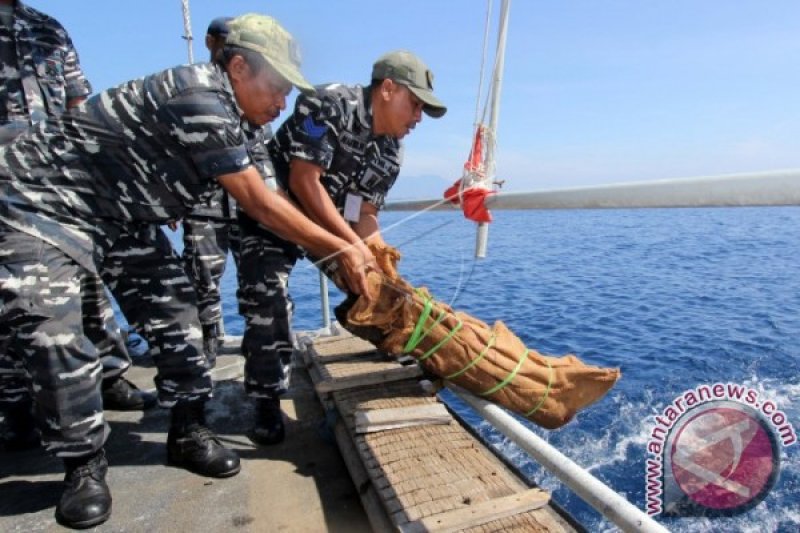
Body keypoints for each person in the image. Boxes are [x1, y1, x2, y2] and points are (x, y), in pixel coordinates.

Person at [0, 13, 371, 529]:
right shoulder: (197, 93)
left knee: (181, 315)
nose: (283, 104)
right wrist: (341, 251)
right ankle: (83, 465)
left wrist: (346, 249)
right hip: (42, 206)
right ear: (238, 67)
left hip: (121, 215)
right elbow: (258, 203)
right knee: (53, 335)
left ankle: (188, 430)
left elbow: (277, 195)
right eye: (278, 88)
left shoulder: (246, 122)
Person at [238, 49, 446, 445]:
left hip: (328, 220)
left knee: (380, 286)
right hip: (274, 210)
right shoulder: (329, 102)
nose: (418, 118)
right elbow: (304, 181)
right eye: (415, 104)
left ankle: (383, 336)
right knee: (269, 302)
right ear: (388, 89)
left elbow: (365, 214)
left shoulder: (391, 151)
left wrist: (381, 262)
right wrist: (351, 247)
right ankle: (265, 399)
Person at [0, 0, 155, 453]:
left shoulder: (48, 29)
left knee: (88, 285)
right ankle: (16, 407)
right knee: (17, 299)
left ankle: (110, 377)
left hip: (58, 181)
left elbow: (76, 105)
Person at [179, 16, 243, 367]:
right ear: (209, 42)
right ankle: (206, 345)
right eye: (225, 41)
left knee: (257, 282)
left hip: (247, 206)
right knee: (202, 282)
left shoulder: (250, 87)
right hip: (203, 204)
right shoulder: (194, 88)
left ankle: (258, 345)